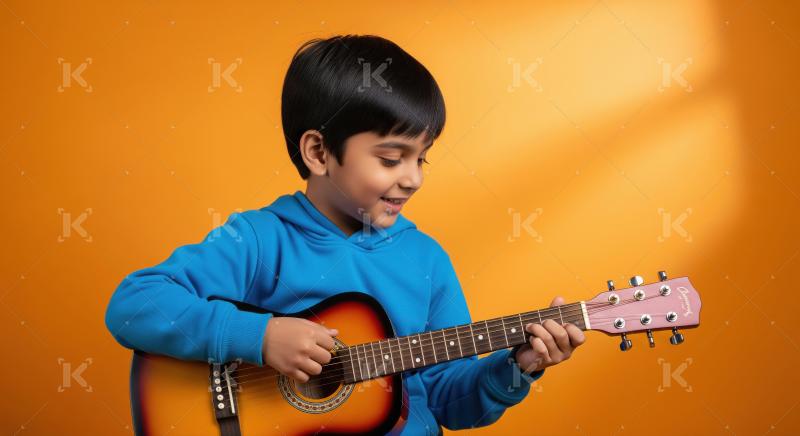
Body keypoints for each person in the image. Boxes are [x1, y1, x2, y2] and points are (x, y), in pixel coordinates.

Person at [105, 34, 585, 435]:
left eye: (422, 158)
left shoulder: (427, 260)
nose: (413, 178)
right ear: (318, 152)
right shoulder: (258, 239)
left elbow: (447, 401)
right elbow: (133, 304)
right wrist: (260, 336)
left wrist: (516, 367)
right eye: (391, 159)